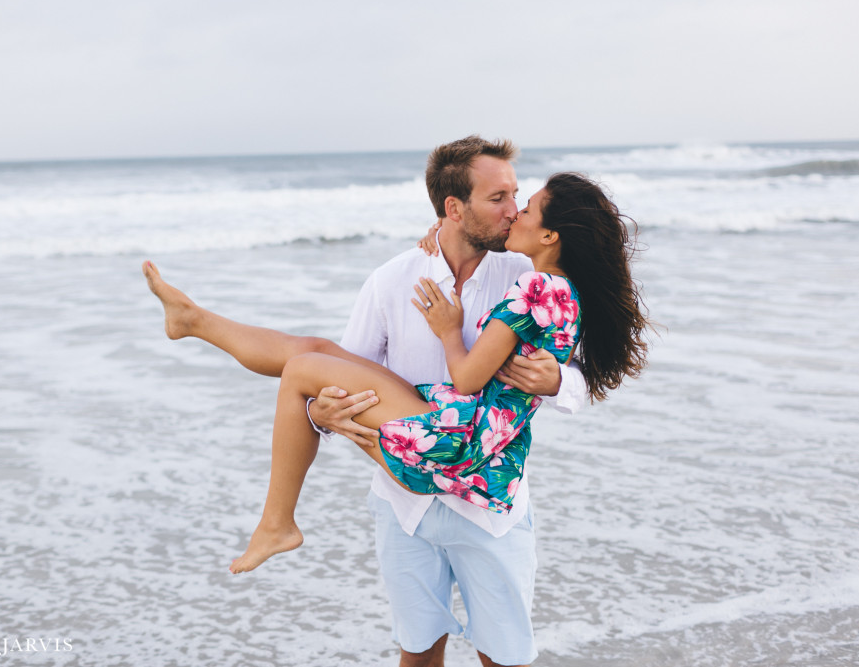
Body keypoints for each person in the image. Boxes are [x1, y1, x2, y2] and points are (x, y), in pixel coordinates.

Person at [143, 139, 649, 666]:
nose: (512, 210)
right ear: (454, 208)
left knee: (504, 659)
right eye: (499, 197)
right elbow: (342, 381)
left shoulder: (524, 275)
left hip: (482, 494)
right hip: (407, 505)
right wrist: (322, 415)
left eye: (518, 198)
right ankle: (195, 321)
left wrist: (553, 383)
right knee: (313, 357)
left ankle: (276, 519)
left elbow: (583, 378)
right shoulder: (393, 279)